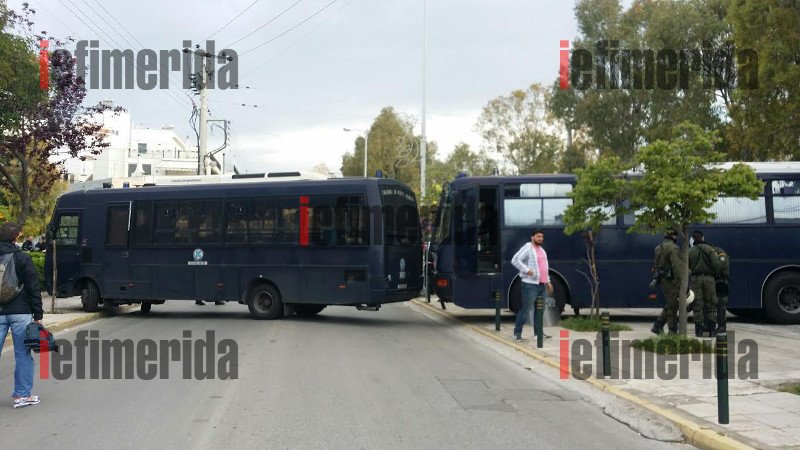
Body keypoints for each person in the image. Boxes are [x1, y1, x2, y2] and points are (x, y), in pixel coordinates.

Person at [0, 222, 43, 408]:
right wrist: (38, 313)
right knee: (23, 354)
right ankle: (22, 396)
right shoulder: (22, 257)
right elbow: (33, 286)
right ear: (16, 237)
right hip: (21, 311)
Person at [510, 229, 553, 341]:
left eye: (542, 237)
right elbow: (515, 260)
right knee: (526, 309)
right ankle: (517, 333)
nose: (540, 239)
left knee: (540, 309)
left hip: (542, 284)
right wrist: (527, 270)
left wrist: (548, 281)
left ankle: (538, 334)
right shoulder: (528, 248)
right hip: (530, 284)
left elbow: (544, 267)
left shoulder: (542, 250)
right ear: (532, 237)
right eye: (538, 236)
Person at [688, 230, 723, 337]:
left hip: (695, 280)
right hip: (709, 279)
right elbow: (717, 265)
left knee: (697, 305)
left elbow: (687, 266)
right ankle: (712, 331)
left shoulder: (690, 251)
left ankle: (698, 331)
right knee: (711, 304)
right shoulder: (710, 249)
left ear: (693, 239)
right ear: (702, 237)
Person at [651, 229, 683, 335]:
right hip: (673, 281)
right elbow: (677, 267)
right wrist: (681, 282)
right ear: (674, 237)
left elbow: (656, 266)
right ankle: (672, 331)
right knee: (673, 306)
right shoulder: (674, 248)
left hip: (664, 280)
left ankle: (658, 326)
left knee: (670, 303)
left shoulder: (657, 248)